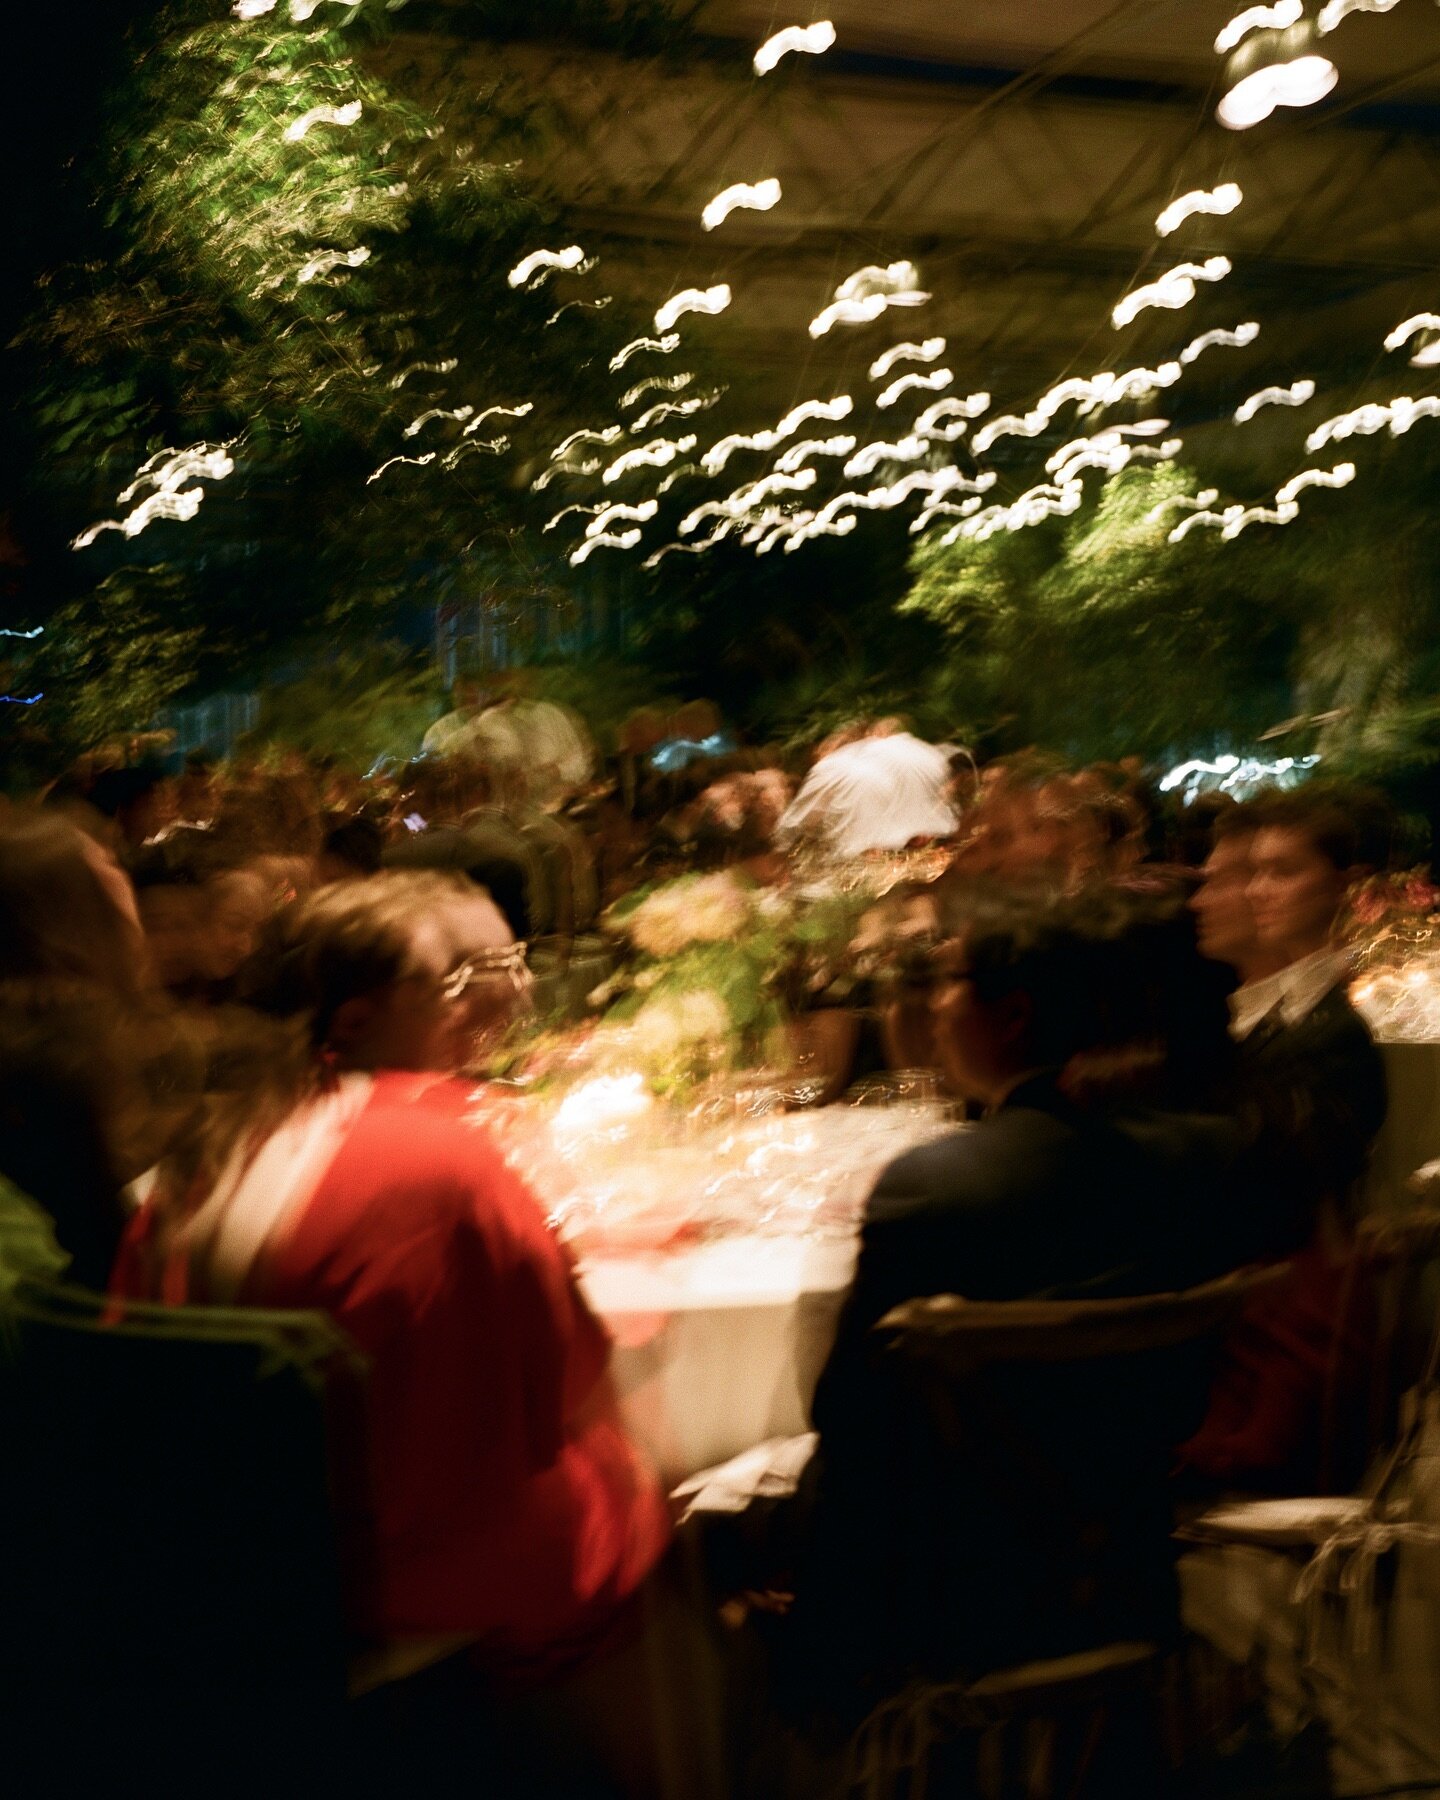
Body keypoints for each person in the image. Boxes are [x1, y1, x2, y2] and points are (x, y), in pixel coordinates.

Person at [111, 874, 719, 1795]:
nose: (504, 994)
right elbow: (560, 1395)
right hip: (386, 1594)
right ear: (352, 1017)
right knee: (660, 1495)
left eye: (506, 964)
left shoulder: (201, 1149)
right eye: (460, 976)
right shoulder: (443, 1158)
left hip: (195, 1593)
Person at [0, 813, 192, 1286]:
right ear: (73, 906)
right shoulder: (85, 1051)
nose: (123, 876)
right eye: (106, 864)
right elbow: (121, 1232)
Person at [777, 720, 958, 861]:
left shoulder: (833, 768)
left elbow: (790, 833)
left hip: (858, 864)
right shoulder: (922, 754)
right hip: (931, 850)